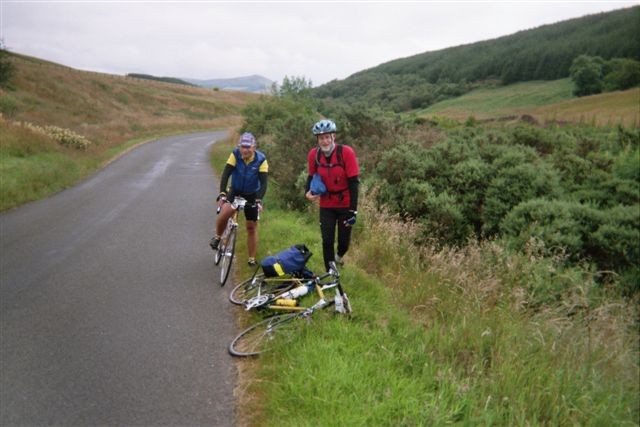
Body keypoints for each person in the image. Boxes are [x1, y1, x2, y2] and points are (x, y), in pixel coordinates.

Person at [304, 119, 360, 272]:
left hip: (345, 203)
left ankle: (339, 257)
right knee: (327, 240)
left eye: (327, 137)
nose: (325, 141)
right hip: (326, 203)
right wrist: (307, 191)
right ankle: (330, 272)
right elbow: (311, 175)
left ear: (333, 136)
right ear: (317, 139)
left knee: (344, 242)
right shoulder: (314, 154)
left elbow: (354, 182)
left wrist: (353, 211)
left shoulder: (346, 152)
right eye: (321, 138)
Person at [210, 132, 268, 267]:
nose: (245, 150)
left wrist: (258, 199)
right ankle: (217, 237)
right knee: (225, 213)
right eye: (243, 147)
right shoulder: (235, 154)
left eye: (248, 147)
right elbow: (226, 174)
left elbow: (264, 183)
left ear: (254, 147)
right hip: (235, 191)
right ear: (239, 147)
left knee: (251, 227)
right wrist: (222, 193)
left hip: (252, 194)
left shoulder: (261, 159)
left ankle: (251, 258)